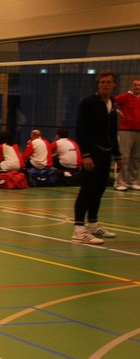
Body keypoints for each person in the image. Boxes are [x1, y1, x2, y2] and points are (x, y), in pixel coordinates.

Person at [72, 70, 121, 244]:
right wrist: (86, 155)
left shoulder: (113, 104)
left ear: (114, 85)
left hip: (105, 153)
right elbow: (81, 130)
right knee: (87, 189)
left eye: (108, 82)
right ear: (98, 84)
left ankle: (93, 224)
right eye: (102, 82)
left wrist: (118, 155)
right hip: (92, 153)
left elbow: (112, 132)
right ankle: (79, 230)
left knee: (99, 189)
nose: (105, 85)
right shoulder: (88, 103)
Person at [114, 77, 140, 190]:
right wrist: (119, 112)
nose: (137, 87)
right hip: (126, 130)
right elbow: (111, 102)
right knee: (124, 157)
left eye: (139, 85)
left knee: (136, 158)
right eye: (135, 85)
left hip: (139, 131)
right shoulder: (125, 97)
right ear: (131, 86)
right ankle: (120, 183)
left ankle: (132, 181)